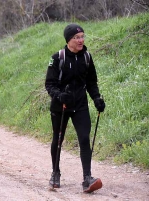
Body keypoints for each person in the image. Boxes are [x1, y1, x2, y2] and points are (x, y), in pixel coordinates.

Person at [45, 24, 105, 193]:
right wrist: (59, 95)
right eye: (77, 38)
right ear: (68, 40)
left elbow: (91, 82)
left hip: (80, 105)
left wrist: (97, 99)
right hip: (60, 107)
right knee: (58, 140)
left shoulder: (87, 57)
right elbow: (49, 84)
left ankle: (87, 178)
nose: (81, 40)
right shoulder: (57, 58)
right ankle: (55, 173)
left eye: (82, 37)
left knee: (84, 139)